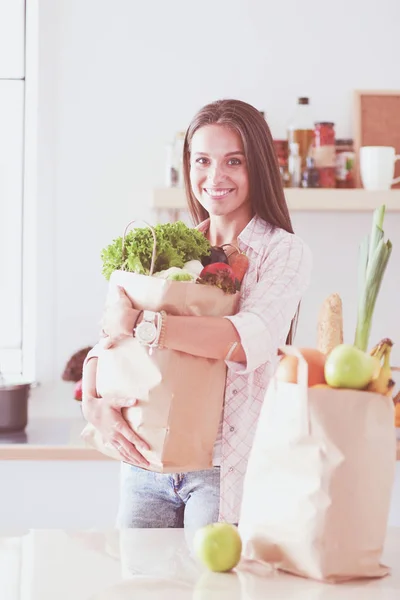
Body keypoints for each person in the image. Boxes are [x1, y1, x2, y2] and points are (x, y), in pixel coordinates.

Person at [82, 98, 312, 529]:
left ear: (257, 167)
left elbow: (246, 340)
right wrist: (93, 406)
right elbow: (110, 340)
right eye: (202, 160)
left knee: (214, 592)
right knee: (142, 588)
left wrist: (143, 323)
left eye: (234, 161)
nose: (215, 177)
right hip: (144, 461)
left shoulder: (284, 252)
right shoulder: (167, 249)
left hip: (224, 468)